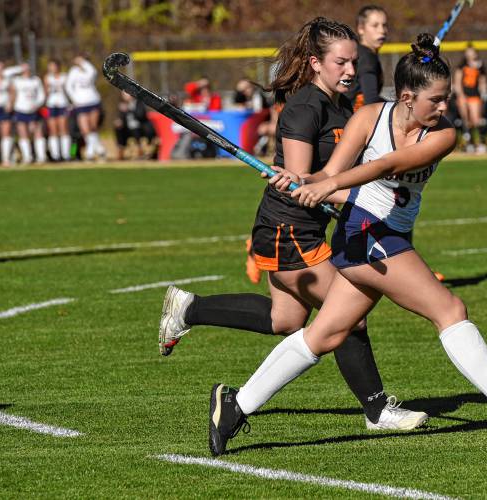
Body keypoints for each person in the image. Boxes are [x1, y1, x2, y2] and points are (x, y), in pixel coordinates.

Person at [206, 33, 487, 456]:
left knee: (325, 334)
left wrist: (330, 185)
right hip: (364, 232)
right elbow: (329, 174)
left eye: (447, 98)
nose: (445, 108)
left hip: (389, 232)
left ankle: (235, 405)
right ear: (409, 97)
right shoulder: (367, 118)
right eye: (437, 100)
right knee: (449, 309)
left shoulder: (442, 135)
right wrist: (298, 179)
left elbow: (389, 165)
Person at [159, 17, 427, 433]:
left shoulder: (341, 103)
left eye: (354, 62)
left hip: (304, 227)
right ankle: (377, 410)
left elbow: (321, 177)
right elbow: (302, 184)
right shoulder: (305, 107)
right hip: (288, 228)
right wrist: (356, 195)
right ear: (315, 62)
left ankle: (190, 308)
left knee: (285, 321)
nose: (351, 71)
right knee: (347, 317)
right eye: (341, 62)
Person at [344, 4, 388, 111]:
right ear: (361, 29)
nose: (382, 30)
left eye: (384, 25)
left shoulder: (359, 52)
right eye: (375, 25)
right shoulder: (367, 57)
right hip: (354, 120)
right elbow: (371, 100)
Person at [65, 54, 105, 161]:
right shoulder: (73, 71)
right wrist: (74, 99)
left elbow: (92, 73)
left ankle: (93, 151)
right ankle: (95, 150)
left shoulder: (89, 70)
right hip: (80, 104)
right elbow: (68, 86)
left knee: (93, 127)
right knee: (84, 129)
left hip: (93, 101)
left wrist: (83, 62)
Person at [9, 62, 46, 164]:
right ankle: (27, 157)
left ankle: (41, 157)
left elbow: (41, 95)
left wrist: (37, 104)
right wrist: (18, 68)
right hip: (20, 110)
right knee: (23, 133)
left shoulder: (36, 80)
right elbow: (5, 73)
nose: (27, 70)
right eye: (24, 69)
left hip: (33, 110)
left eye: (28, 68)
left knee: (37, 132)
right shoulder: (16, 80)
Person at [454, 44, 487, 153]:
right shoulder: (461, 66)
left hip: (475, 95)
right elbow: (457, 83)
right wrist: (461, 95)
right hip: (464, 95)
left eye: (472, 52)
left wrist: (483, 93)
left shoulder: (480, 66)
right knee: (466, 120)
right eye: (468, 52)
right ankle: (470, 143)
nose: (470, 54)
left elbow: (482, 81)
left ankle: (480, 142)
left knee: (476, 120)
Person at [113, 91, 156, 160]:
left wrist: (129, 109)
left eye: (126, 94)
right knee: (118, 129)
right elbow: (121, 118)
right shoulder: (122, 105)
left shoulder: (139, 103)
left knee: (134, 128)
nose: (124, 96)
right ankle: (121, 149)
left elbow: (141, 115)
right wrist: (119, 121)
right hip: (128, 128)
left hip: (141, 128)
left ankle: (140, 150)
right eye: (123, 94)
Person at [44, 59, 70, 162]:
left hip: (63, 104)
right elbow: (45, 93)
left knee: (63, 129)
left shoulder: (64, 76)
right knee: (53, 130)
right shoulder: (47, 78)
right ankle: (55, 155)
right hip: (51, 105)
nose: (52, 68)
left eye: (53, 66)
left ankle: (66, 154)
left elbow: (69, 89)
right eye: (50, 66)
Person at [0, 61, 22, 167]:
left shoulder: (7, 80)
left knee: (6, 133)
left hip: (4, 109)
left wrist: (11, 104)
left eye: (1, 68)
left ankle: (6, 159)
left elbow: (13, 92)